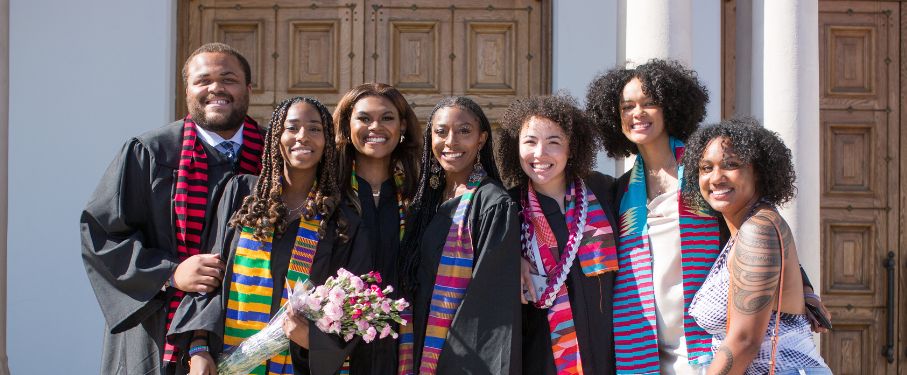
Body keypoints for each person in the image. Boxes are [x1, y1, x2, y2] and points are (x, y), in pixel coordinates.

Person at [586, 59, 829, 375]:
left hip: (708, 349)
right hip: (645, 351)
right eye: (627, 106)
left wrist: (804, 288)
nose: (637, 113)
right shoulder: (619, 193)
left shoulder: (706, 177)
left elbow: (759, 233)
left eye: (649, 103)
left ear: (670, 107)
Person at [81, 42, 263, 374]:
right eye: (203, 80)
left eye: (229, 79)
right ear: (187, 91)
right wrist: (169, 273)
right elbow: (102, 235)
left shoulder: (274, 156)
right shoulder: (150, 153)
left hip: (252, 324)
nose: (216, 88)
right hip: (160, 329)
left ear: (249, 88)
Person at [173, 96, 373, 375]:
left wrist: (312, 339)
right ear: (276, 138)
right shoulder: (241, 195)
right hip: (224, 364)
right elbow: (210, 277)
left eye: (315, 129)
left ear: (327, 142)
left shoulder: (342, 221)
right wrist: (198, 347)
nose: (303, 136)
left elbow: (351, 313)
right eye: (292, 128)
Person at [682, 117, 830, 375]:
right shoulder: (749, 226)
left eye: (731, 165)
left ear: (758, 171)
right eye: (706, 168)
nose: (716, 177)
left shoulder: (757, 230)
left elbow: (744, 341)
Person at [398, 97, 521, 374]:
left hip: (462, 359)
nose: (450, 142)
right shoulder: (424, 203)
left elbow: (490, 305)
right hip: (417, 343)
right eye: (441, 132)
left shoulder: (492, 204)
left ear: (481, 139)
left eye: (464, 131)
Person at [497, 95, 619, 374]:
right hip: (542, 349)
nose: (540, 153)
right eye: (530, 142)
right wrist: (510, 259)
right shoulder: (507, 206)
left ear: (572, 148)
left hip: (607, 343)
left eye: (554, 142)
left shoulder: (604, 191)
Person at [332, 83, 422, 374]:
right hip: (335, 339)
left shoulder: (418, 193)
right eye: (363, 118)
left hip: (402, 340)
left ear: (403, 125)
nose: (375, 127)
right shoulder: (328, 192)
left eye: (387, 118)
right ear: (347, 126)